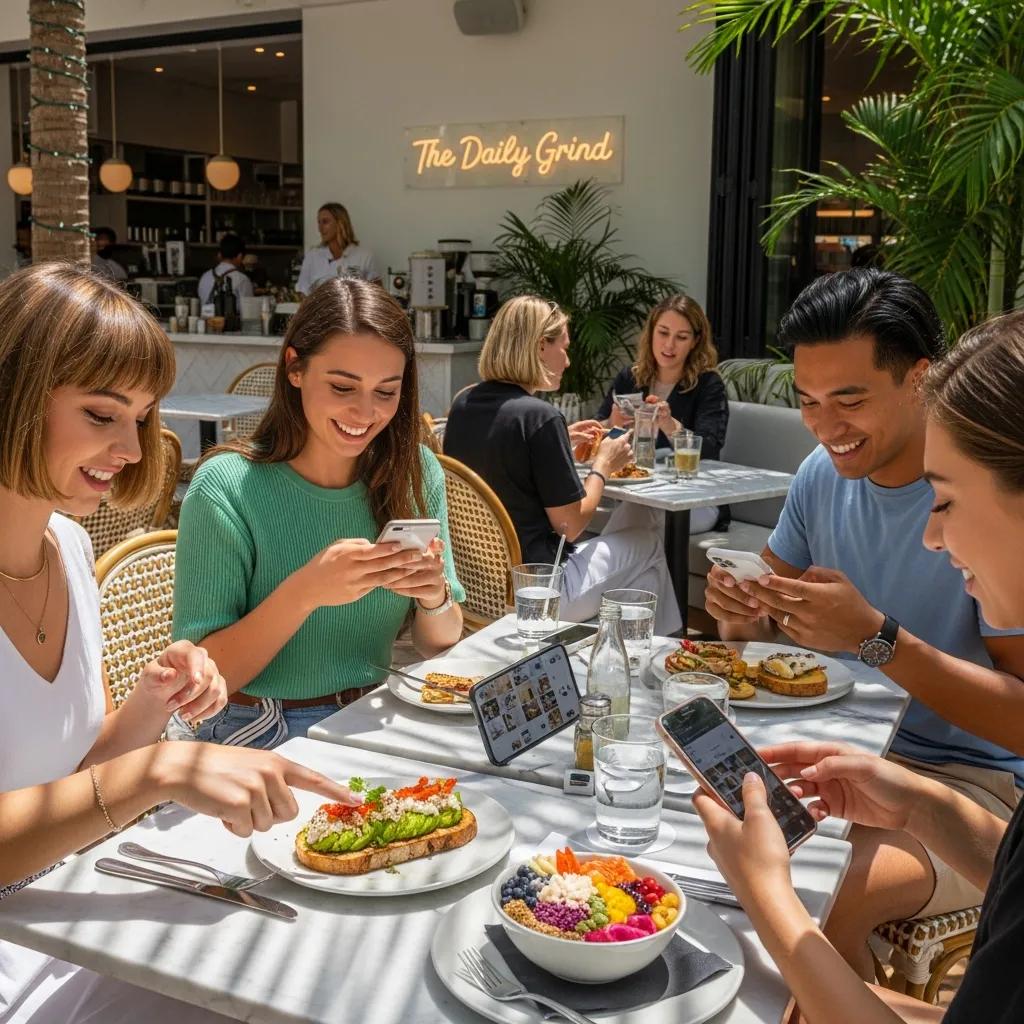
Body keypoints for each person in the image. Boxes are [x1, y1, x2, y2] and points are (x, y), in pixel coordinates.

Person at [0, 263, 358, 1024]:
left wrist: (149, 707)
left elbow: (71, 773)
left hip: (73, 916)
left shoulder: (65, 549)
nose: (132, 450)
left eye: (141, 418)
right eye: (102, 415)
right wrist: (159, 769)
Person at [696, 310, 1024, 1023]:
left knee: (820, 890)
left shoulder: (995, 528)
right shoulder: (822, 475)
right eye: (806, 402)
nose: (824, 425)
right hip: (872, 763)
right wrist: (736, 607)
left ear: (919, 380)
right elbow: (751, 631)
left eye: (848, 399)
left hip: (983, 780)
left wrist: (878, 640)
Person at [172, 277, 464, 748]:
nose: (365, 412)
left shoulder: (414, 470)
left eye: (386, 392)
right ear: (294, 368)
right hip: (257, 726)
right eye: (343, 386)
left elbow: (439, 642)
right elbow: (208, 676)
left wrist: (434, 596)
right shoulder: (226, 487)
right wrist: (304, 593)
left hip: (375, 713)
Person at [443, 295, 681, 633]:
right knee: (650, 544)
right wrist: (602, 465)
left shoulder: (464, 402)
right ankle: (650, 656)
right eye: (564, 348)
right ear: (541, 346)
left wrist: (560, 439)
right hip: (539, 591)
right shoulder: (540, 416)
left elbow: (502, 455)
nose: (567, 361)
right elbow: (570, 524)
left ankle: (615, 651)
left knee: (637, 568)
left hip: (479, 587)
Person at [592, 293, 729, 533]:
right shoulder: (630, 378)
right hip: (638, 495)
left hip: (696, 500)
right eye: (663, 333)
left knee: (639, 519)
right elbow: (596, 433)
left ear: (695, 341)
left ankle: (581, 570)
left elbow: (709, 448)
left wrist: (669, 424)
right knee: (637, 515)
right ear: (651, 332)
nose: (669, 345)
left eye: (681, 337)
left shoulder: (708, 384)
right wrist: (612, 424)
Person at [296, 202, 379, 295]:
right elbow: (302, 293)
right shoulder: (312, 256)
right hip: (319, 309)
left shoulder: (364, 256)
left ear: (340, 223)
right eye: (319, 222)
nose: (320, 228)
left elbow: (377, 296)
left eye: (325, 222)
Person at [196, 232, 254, 307]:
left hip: (206, 318)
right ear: (240, 256)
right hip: (230, 319)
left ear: (220, 254)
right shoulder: (242, 280)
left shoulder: (205, 277)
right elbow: (249, 311)